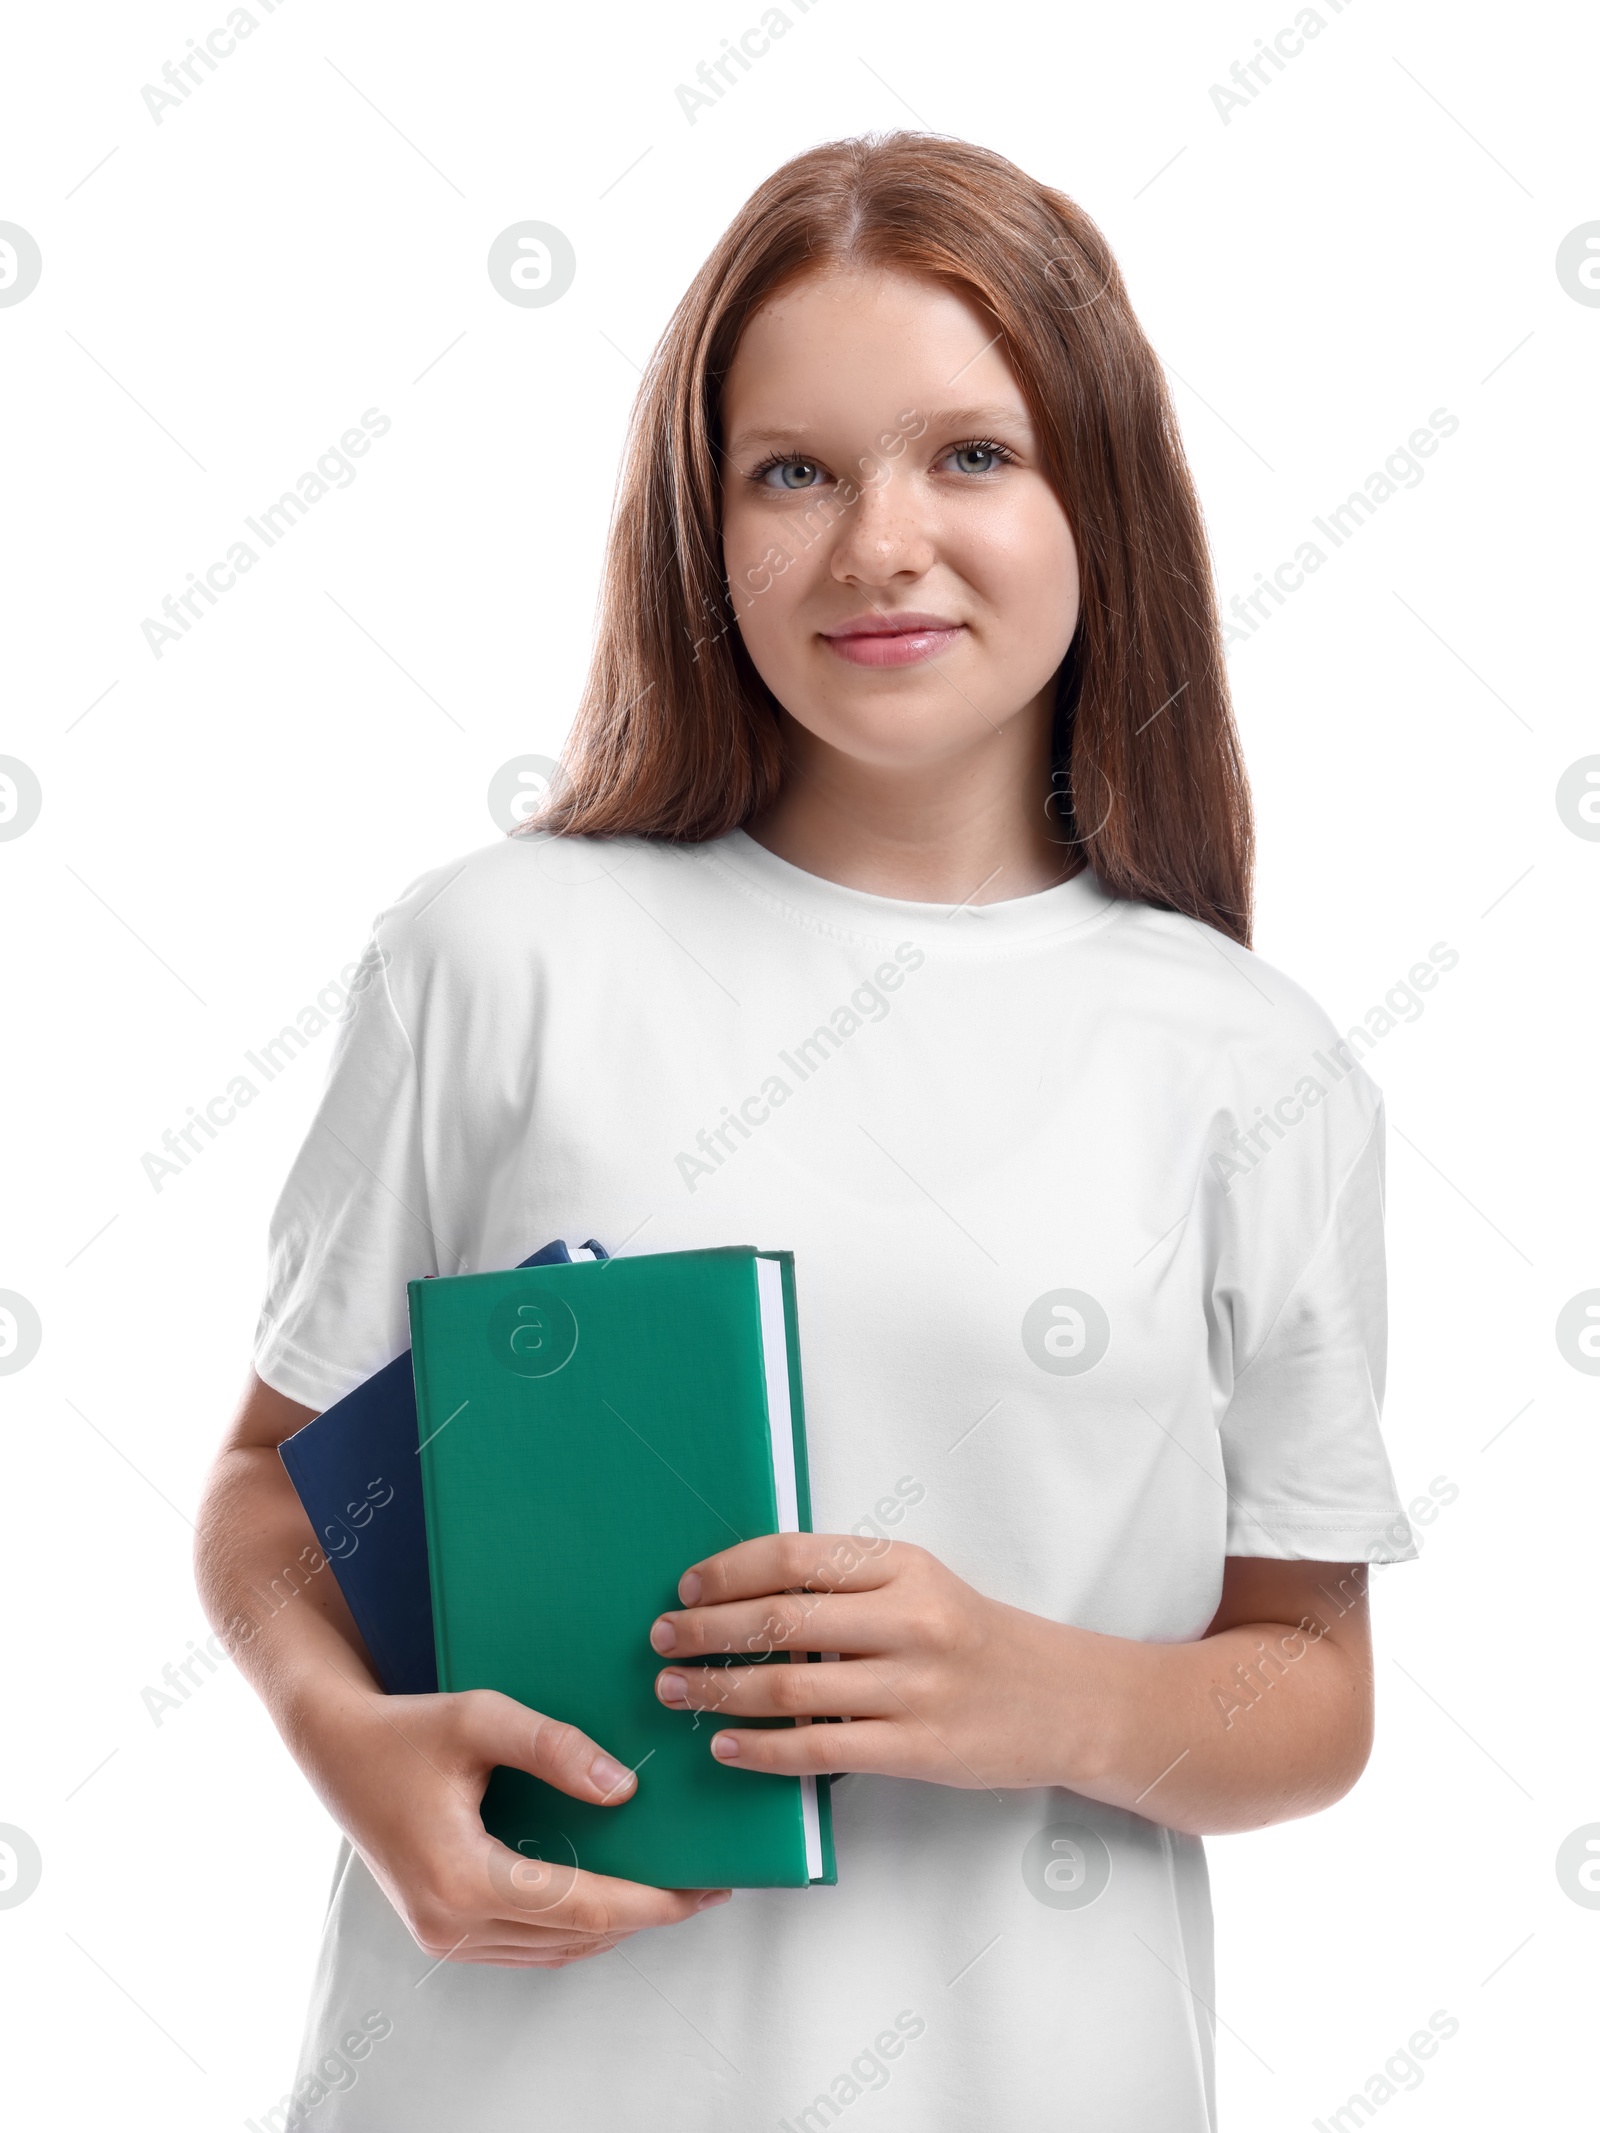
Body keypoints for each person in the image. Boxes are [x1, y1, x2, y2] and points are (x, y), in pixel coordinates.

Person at [196, 131, 1416, 2131]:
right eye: (792, 469)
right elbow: (270, 1482)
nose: (877, 545)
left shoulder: (1248, 1059)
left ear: (1094, 496)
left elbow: (1309, 1675)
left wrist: (1037, 1690)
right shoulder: (497, 955)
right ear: (704, 524)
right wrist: (348, 1743)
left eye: (968, 454)